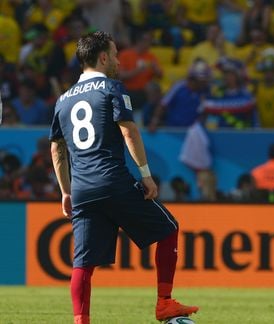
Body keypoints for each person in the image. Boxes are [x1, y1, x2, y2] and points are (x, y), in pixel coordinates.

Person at [48, 31, 198, 324]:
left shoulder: (62, 101)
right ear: (103, 57)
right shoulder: (112, 88)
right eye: (115, 54)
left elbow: (57, 149)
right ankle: (164, 304)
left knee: (83, 264)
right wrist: (145, 175)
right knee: (169, 229)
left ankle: (81, 321)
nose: (117, 60)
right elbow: (128, 130)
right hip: (113, 180)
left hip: (82, 189)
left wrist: (66, 192)